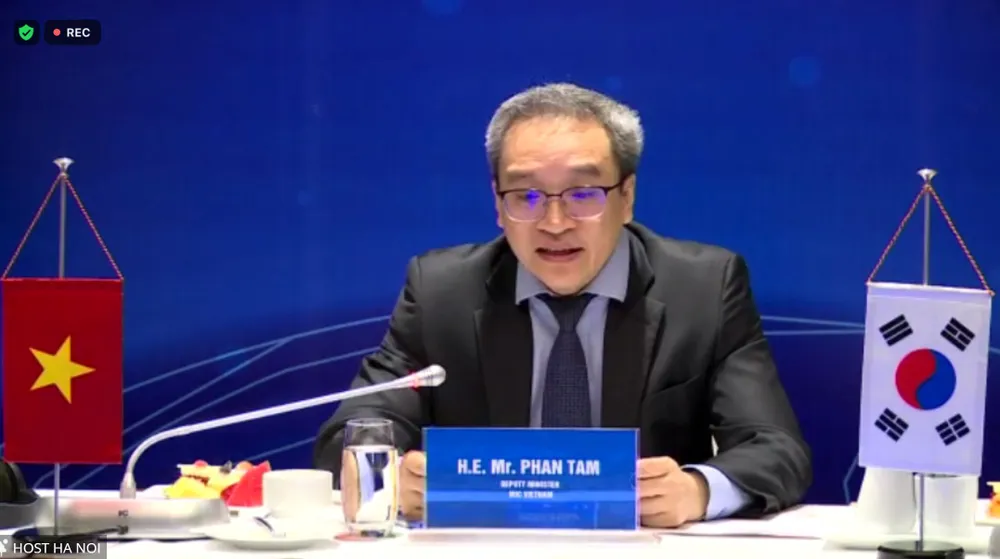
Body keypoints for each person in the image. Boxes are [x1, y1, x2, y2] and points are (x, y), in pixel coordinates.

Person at [314, 82, 812, 528]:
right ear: (498, 204)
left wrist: (696, 491)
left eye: (583, 193)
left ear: (627, 196)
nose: (555, 223)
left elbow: (777, 448)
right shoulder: (441, 291)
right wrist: (389, 477)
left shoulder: (703, 289)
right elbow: (350, 433)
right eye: (526, 196)